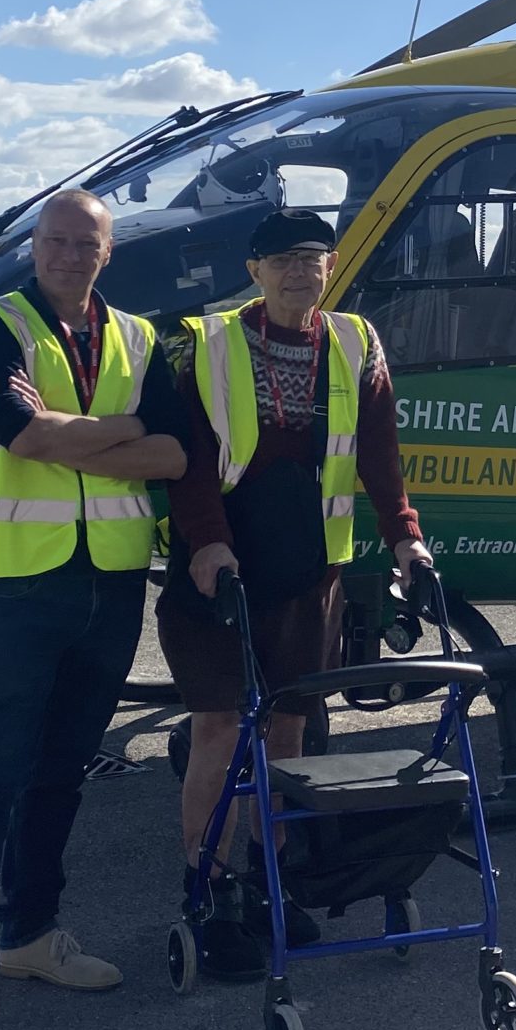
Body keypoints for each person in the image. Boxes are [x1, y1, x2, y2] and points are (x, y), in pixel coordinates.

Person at [0, 189, 186, 1030]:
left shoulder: (142, 339)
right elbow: (19, 436)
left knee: (63, 772)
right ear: (35, 247)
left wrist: (91, 431)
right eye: (56, 240)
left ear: (109, 253)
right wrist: (121, 431)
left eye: (87, 243)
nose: (70, 254)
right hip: (23, 581)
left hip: (111, 579)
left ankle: (31, 934)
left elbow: (178, 454)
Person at [161, 206, 432, 978]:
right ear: (253, 271)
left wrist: (403, 531)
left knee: (286, 734)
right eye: (280, 259)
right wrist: (208, 541)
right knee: (217, 729)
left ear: (331, 265)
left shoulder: (355, 341)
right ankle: (205, 891)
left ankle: (269, 883)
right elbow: (191, 456)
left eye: (311, 258)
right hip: (220, 571)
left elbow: (379, 448)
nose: (297, 272)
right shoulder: (208, 344)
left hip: (308, 572)